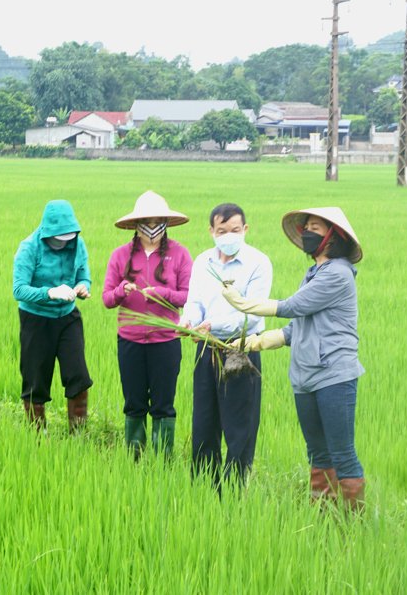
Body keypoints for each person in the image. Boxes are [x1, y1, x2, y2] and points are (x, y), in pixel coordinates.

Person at [222, 207, 365, 511]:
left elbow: (293, 306)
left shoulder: (338, 274)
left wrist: (243, 303)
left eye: (315, 227)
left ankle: (354, 524)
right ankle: (324, 517)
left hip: (334, 376)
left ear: (332, 236)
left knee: (342, 454)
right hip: (305, 376)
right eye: (306, 228)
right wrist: (257, 341)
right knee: (318, 454)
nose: (307, 233)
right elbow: (298, 325)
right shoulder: (314, 273)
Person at [180, 203, 272, 490]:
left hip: (240, 352)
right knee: (204, 422)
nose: (228, 236)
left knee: (239, 426)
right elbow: (194, 301)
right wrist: (189, 320)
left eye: (235, 230)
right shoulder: (203, 262)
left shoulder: (258, 263)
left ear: (245, 229)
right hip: (206, 351)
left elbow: (252, 313)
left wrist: (209, 326)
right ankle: (205, 489)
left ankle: (233, 492)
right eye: (222, 231)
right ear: (211, 231)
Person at [102, 191, 193, 459]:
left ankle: (164, 460)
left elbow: (188, 295)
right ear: (135, 224)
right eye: (146, 221)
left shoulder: (179, 254)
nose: (152, 228)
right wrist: (122, 290)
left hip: (166, 340)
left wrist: (163, 293)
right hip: (129, 340)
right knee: (134, 403)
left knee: (164, 405)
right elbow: (107, 299)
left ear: (165, 222)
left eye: (157, 221)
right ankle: (135, 459)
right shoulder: (120, 256)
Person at [12, 199, 93, 433]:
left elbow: (83, 275)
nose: (63, 242)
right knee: (36, 377)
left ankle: (77, 434)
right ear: (47, 232)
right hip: (36, 319)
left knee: (78, 374)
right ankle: (38, 434)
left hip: (68, 317)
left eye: (68, 237)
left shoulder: (78, 245)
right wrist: (50, 292)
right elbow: (18, 289)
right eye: (59, 237)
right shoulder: (29, 248)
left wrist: (82, 287)